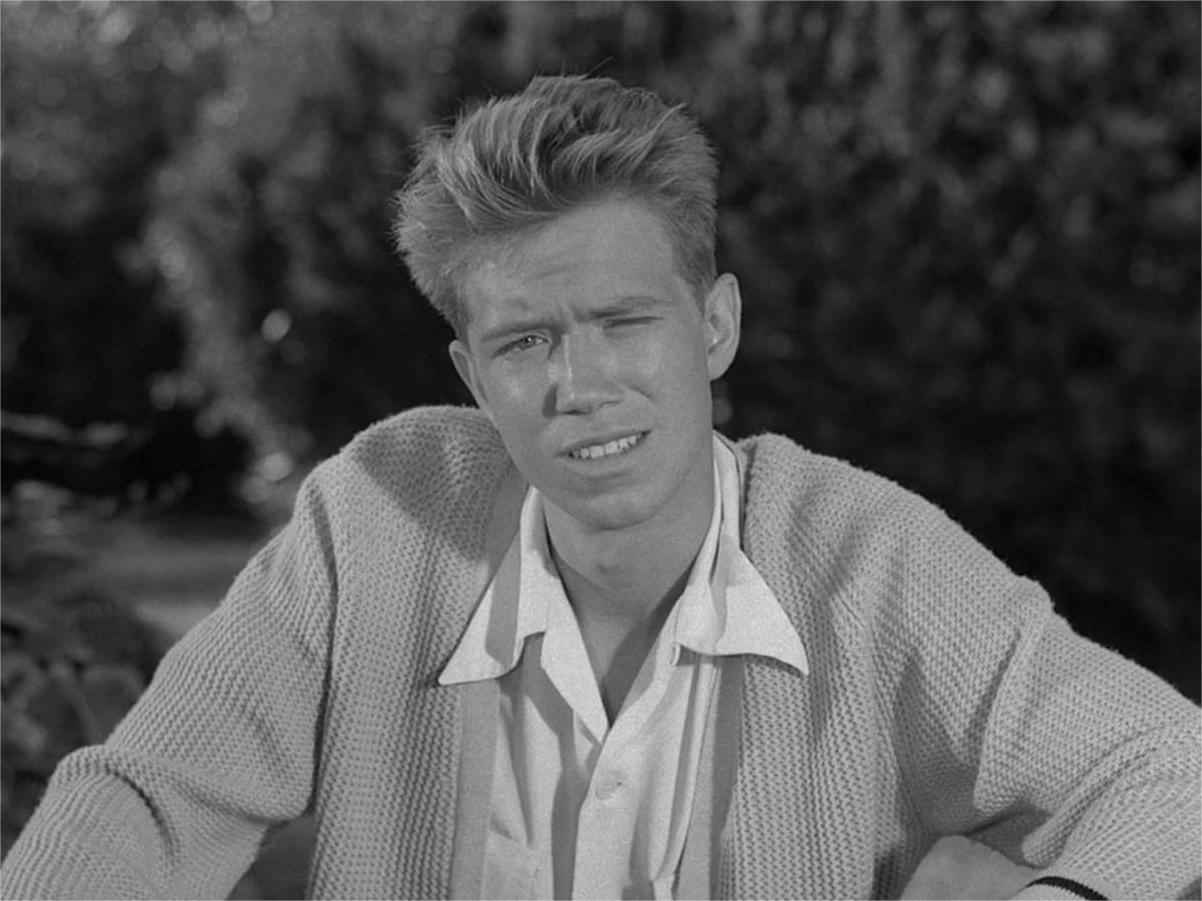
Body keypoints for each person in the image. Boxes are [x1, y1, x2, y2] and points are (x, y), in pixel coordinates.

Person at [2, 74, 1198, 901]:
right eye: (525, 342)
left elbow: (1166, 764)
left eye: (624, 322)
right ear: (473, 377)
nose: (579, 386)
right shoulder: (374, 520)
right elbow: (150, 798)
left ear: (714, 327)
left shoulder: (865, 559)